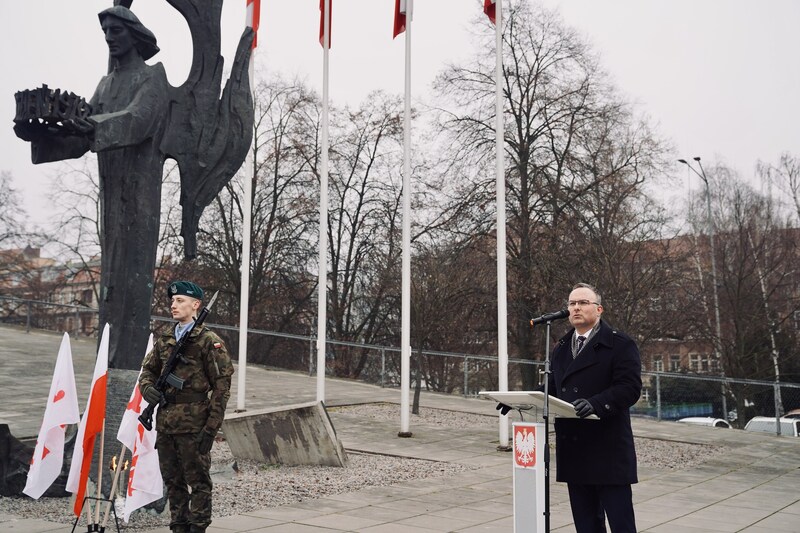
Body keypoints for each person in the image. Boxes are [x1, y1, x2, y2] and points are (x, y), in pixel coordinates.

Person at [14, 5, 169, 369]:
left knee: (131, 285)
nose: (110, 39)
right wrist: (43, 137)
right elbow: (82, 135)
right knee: (112, 286)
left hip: (140, 198)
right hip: (111, 196)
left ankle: (122, 387)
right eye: (106, 34)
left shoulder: (152, 78)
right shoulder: (106, 84)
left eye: (116, 32)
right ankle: (105, 387)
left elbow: (136, 122)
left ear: (134, 34)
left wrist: (89, 127)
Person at [139, 281, 234, 533]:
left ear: (196, 305)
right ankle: (178, 526)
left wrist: (211, 429)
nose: (174, 305)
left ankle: (198, 528)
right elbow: (148, 371)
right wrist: (147, 389)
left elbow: (222, 388)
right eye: (172, 301)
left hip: (195, 425)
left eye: (180, 300)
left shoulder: (208, 341)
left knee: (199, 483)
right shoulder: (166, 339)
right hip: (167, 424)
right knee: (173, 483)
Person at [547, 282, 642, 533]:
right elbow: (551, 389)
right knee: (586, 525)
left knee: (621, 524)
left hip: (607, 448)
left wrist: (595, 404)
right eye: (571, 303)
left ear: (599, 309)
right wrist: (522, 403)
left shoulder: (620, 344)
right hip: (575, 448)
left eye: (582, 303)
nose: (576, 308)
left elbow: (629, 388)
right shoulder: (561, 348)